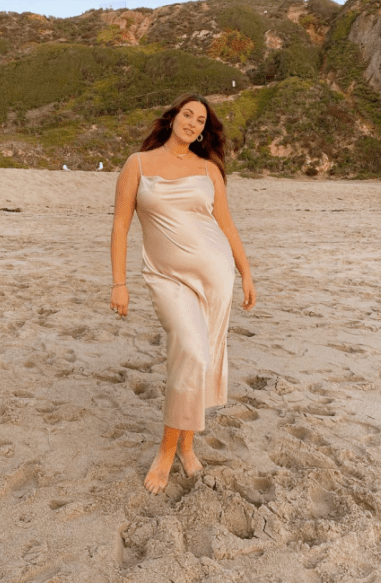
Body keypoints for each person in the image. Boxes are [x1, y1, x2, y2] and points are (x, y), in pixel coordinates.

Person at [110, 92, 257, 495]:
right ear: (173, 118)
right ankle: (166, 450)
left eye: (201, 121)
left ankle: (187, 445)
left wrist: (245, 272)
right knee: (191, 350)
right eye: (187, 115)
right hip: (165, 276)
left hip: (215, 274)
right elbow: (121, 225)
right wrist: (119, 283)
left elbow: (226, 225)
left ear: (203, 132)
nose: (193, 123)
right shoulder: (137, 165)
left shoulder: (209, 170)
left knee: (202, 358)